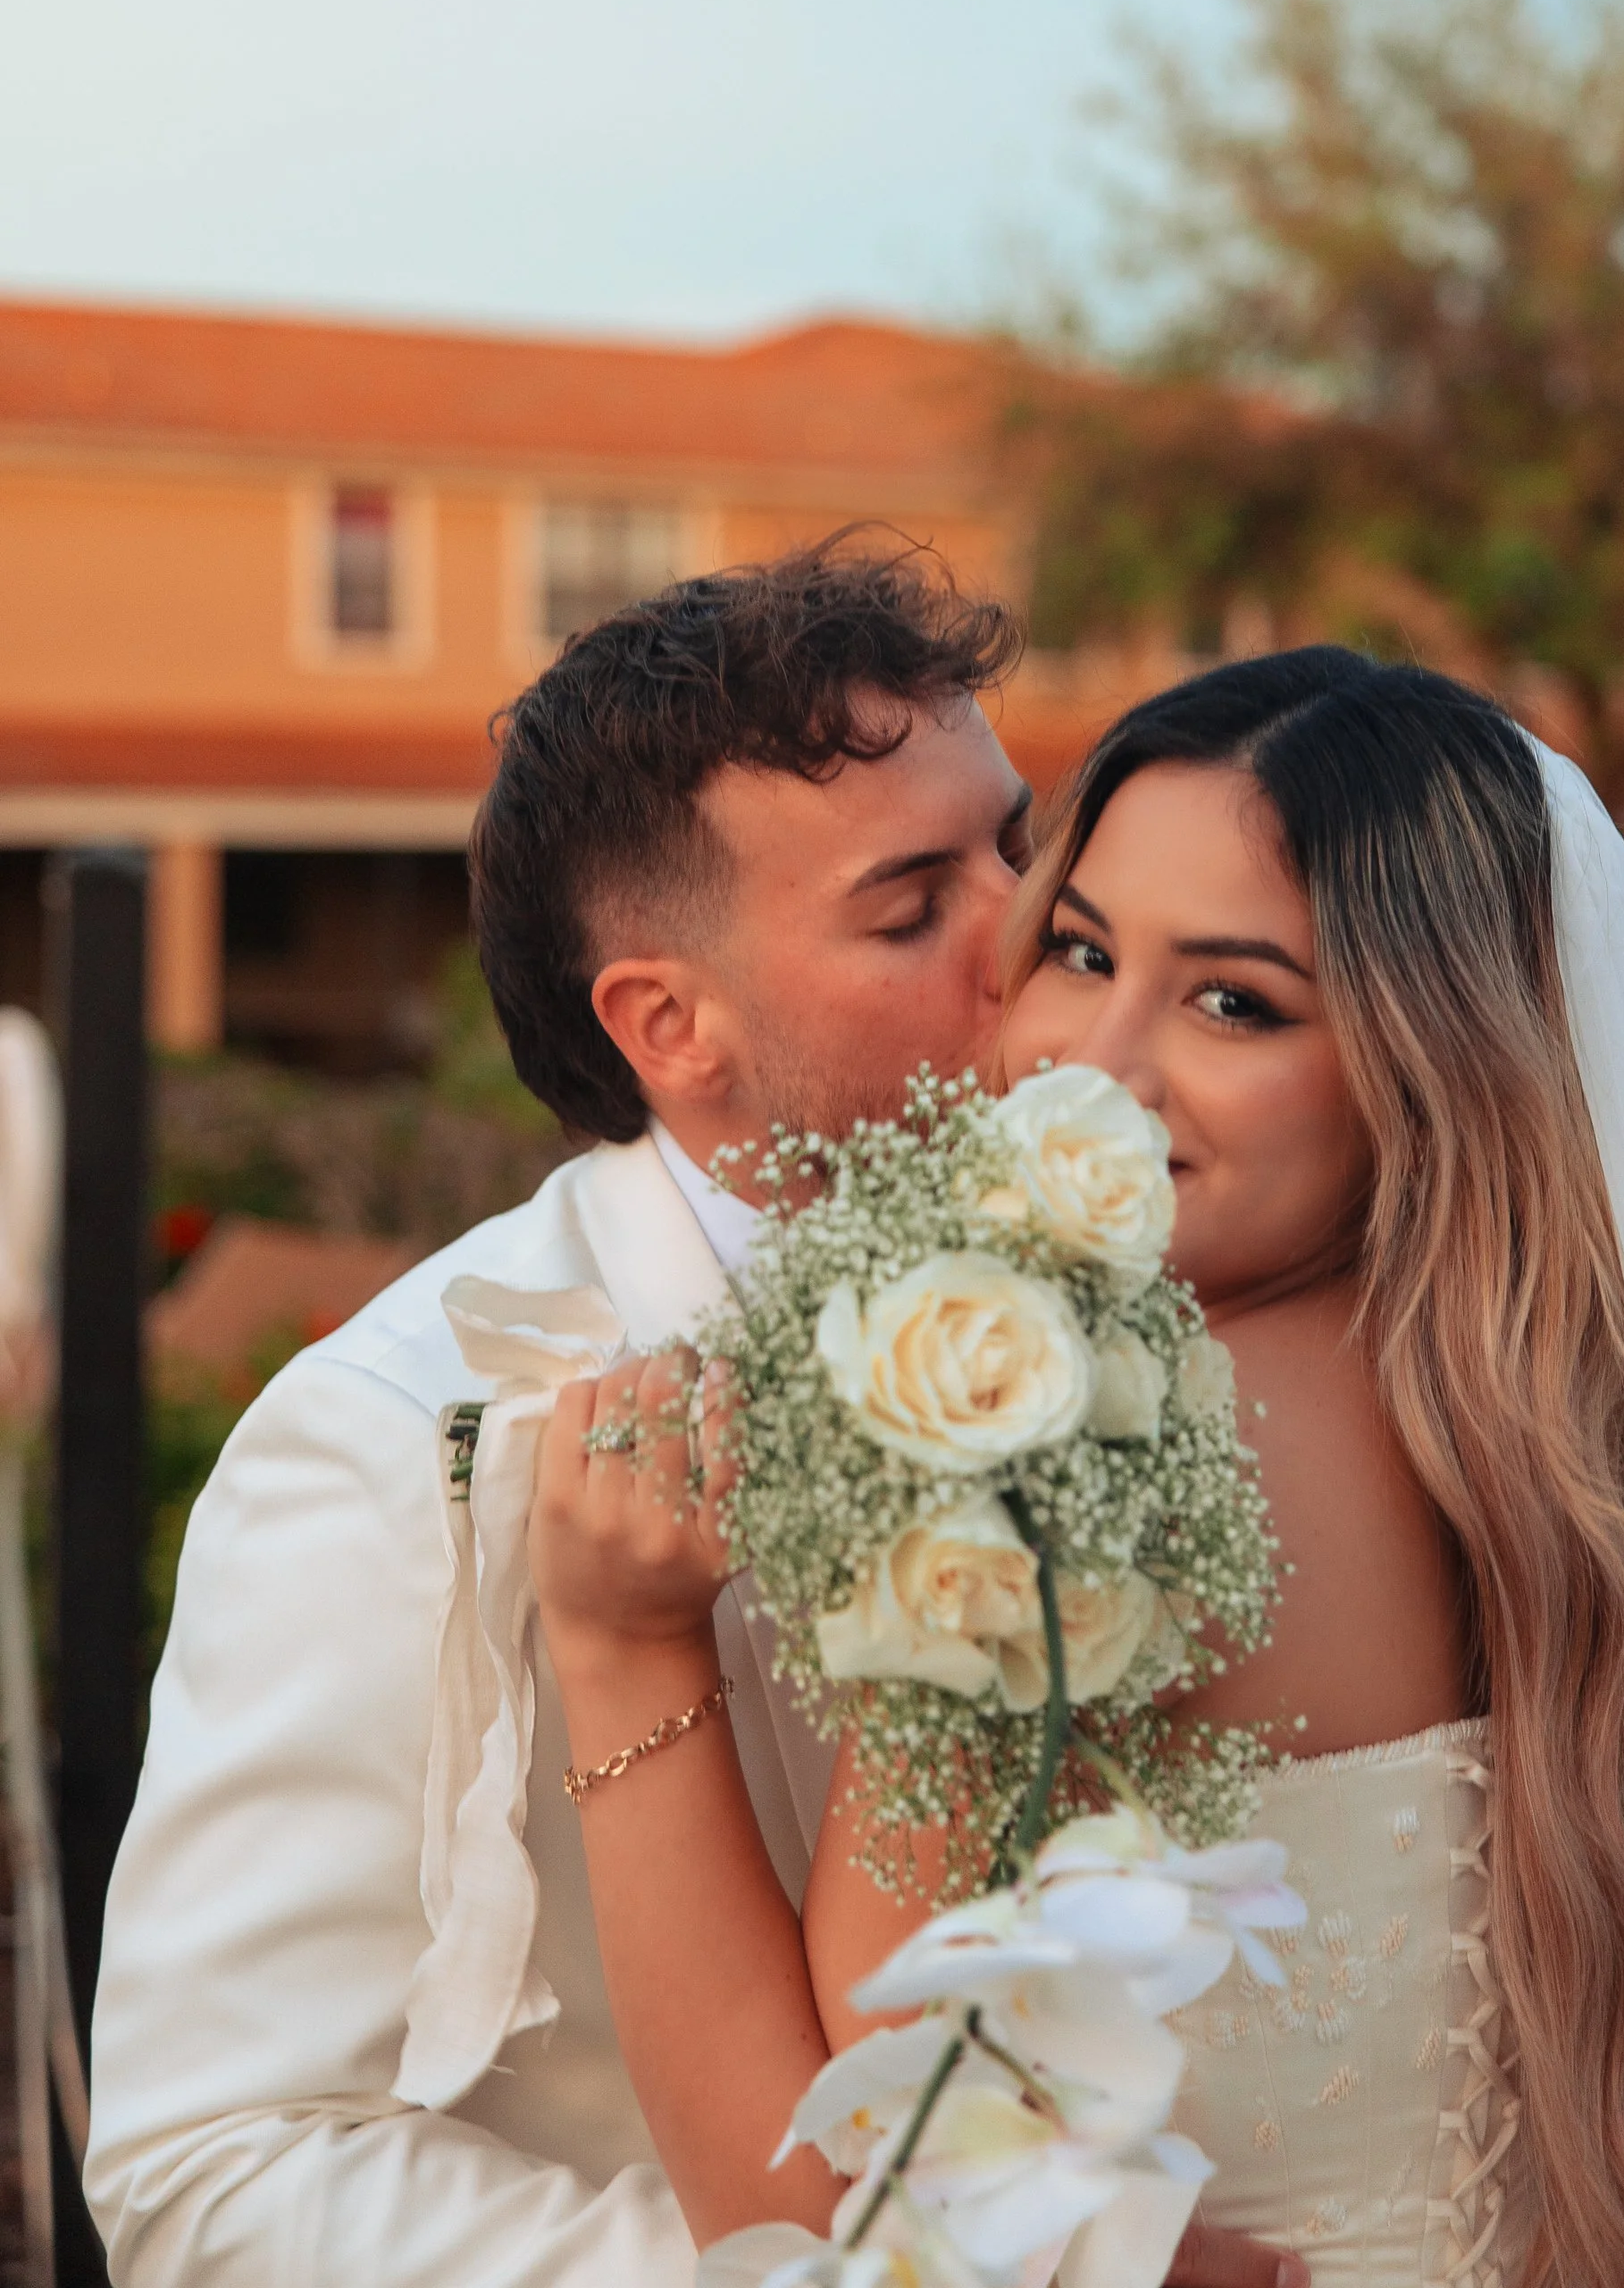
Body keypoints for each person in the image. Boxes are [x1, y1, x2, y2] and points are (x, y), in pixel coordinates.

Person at [532, 647, 1624, 2288]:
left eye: (1234, 1001)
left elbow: (821, 2211)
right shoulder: (1563, 1424)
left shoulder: (1073, 1433)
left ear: (1420, 1063)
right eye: (1079, 948)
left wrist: (623, 1652)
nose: (1094, 1059)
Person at [83, 545, 1035, 2286]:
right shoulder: (394, 1441)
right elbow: (204, 2164)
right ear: (671, 1023)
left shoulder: (1160, 1304)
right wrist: (867, 2270)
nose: (1027, 935)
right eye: (912, 906)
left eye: (1017, 849)